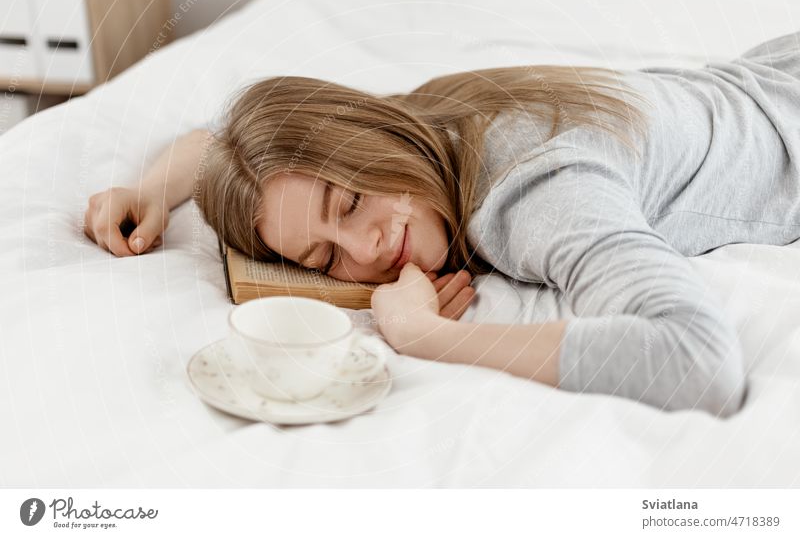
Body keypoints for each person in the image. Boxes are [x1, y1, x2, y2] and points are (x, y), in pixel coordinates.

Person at [84, 31, 800, 418]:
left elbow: (699, 361)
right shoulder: (424, 125)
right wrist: (148, 188)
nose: (365, 251)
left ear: (369, 138)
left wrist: (432, 337)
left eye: (352, 205)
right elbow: (230, 141)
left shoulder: (536, 192)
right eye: (323, 257)